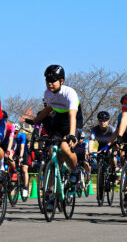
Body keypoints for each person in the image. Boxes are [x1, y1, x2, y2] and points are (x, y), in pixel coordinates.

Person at [27, 65, 83, 212]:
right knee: (52, 153)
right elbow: (48, 110)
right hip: (59, 124)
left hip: (73, 123)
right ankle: (51, 194)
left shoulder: (69, 93)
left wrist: (72, 135)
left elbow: (72, 115)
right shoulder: (47, 93)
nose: (50, 83)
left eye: (53, 80)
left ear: (61, 81)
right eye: (47, 80)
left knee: (65, 147)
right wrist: (34, 121)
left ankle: (75, 170)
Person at [14, 123, 30, 198]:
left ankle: (25, 187)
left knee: (24, 169)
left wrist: (20, 157)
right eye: (14, 132)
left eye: (16, 132)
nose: (15, 133)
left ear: (19, 131)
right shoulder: (11, 135)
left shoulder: (22, 135)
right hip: (15, 151)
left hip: (24, 152)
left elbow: (22, 147)